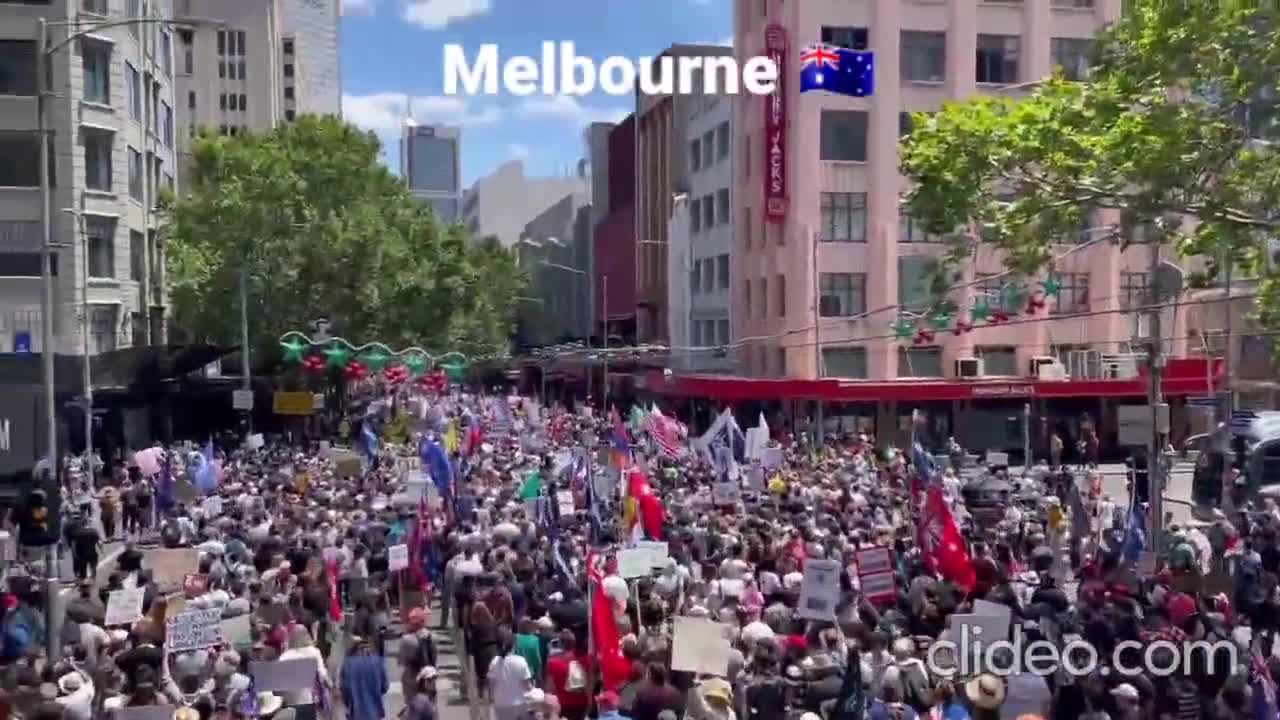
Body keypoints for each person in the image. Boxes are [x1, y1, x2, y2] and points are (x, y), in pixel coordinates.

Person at [488, 629, 532, 720]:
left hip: (500, 704)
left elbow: (491, 685)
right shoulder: (521, 661)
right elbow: (527, 686)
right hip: (519, 704)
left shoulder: (494, 662)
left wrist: (492, 699)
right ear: (514, 645)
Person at [340, 636, 388, 720]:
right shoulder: (377, 661)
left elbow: (345, 688)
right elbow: (384, 687)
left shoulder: (348, 663)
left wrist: (347, 703)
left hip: (356, 711)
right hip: (375, 711)